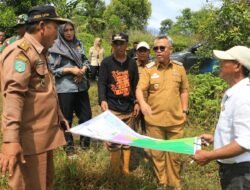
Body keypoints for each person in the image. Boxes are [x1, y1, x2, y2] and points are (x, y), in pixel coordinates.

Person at [0, 5, 69, 190]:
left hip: (44, 137)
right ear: (42, 26)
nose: (58, 33)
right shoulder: (20, 53)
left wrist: (59, 116)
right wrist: (10, 140)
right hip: (29, 143)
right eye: (55, 27)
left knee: (45, 185)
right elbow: (14, 96)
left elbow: (44, 91)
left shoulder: (39, 52)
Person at [193, 46, 250, 190]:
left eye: (224, 61)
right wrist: (216, 138)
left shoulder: (244, 96)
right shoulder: (235, 93)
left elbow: (245, 142)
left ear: (237, 66)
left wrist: (209, 155)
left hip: (241, 173)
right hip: (235, 170)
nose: (220, 64)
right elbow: (239, 132)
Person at [136, 35, 189, 190]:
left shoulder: (179, 68)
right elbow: (140, 89)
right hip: (154, 122)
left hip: (176, 121)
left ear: (170, 50)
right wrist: (143, 103)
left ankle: (175, 184)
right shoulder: (149, 69)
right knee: (157, 155)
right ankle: (162, 183)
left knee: (175, 155)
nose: (158, 51)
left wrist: (184, 110)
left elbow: (184, 90)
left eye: (162, 48)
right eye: (156, 48)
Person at [98, 32, 139, 175]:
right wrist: (102, 100)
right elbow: (101, 83)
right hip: (113, 107)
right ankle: (115, 172)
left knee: (127, 141)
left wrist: (136, 102)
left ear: (127, 45)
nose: (119, 46)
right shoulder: (106, 63)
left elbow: (135, 85)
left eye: (122, 43)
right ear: (112, 45)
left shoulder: (132, 63)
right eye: (116, 43)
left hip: (128, 107)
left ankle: (126, 170)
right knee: (114, 142)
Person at [48, 21, 92, 155]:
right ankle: (69, 148)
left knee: (86, 116)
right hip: (65, 88)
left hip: (81, 86)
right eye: (65, 30)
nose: (69, 33)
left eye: (71, 30)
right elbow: (52, 69)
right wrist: (69, 70)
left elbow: (85, 61)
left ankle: (85, 145)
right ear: (61, 32)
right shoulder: (54, 47)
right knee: (66, 119)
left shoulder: (78, 44)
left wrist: (82, 70)